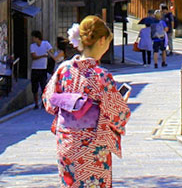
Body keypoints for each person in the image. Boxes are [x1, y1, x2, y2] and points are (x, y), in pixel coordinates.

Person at [45, 15, 131, 188]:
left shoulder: (63, 70)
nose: (107, 47)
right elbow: (119, 114)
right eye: (107, 42)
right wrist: (121, 103)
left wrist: (71, 108)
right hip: (92, 145)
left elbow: (49, 101)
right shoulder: (100, 75)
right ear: (101, 41)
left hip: (67, 141)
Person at [30, 30, 58, 109]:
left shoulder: (46, 44)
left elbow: (51, 52)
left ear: (37, 38)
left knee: (43, 87)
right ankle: (36, 104)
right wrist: (43, 55)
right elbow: (33, 56)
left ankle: (43, 103)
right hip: (35, 69)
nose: (32, 39)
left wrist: (48, 53)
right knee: (34, 87)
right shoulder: (32, 46)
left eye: (33, 37)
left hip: (43, 68)